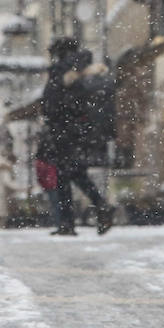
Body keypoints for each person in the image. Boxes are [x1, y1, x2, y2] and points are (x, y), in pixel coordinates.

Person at [42, 45, 113, 235]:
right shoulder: (75, 76)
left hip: (65, 134)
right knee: (72, 175)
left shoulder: (63, 73)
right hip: (72, 134)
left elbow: (55, 105)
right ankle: (94, 209)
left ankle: (71, 221)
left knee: (67, 176)